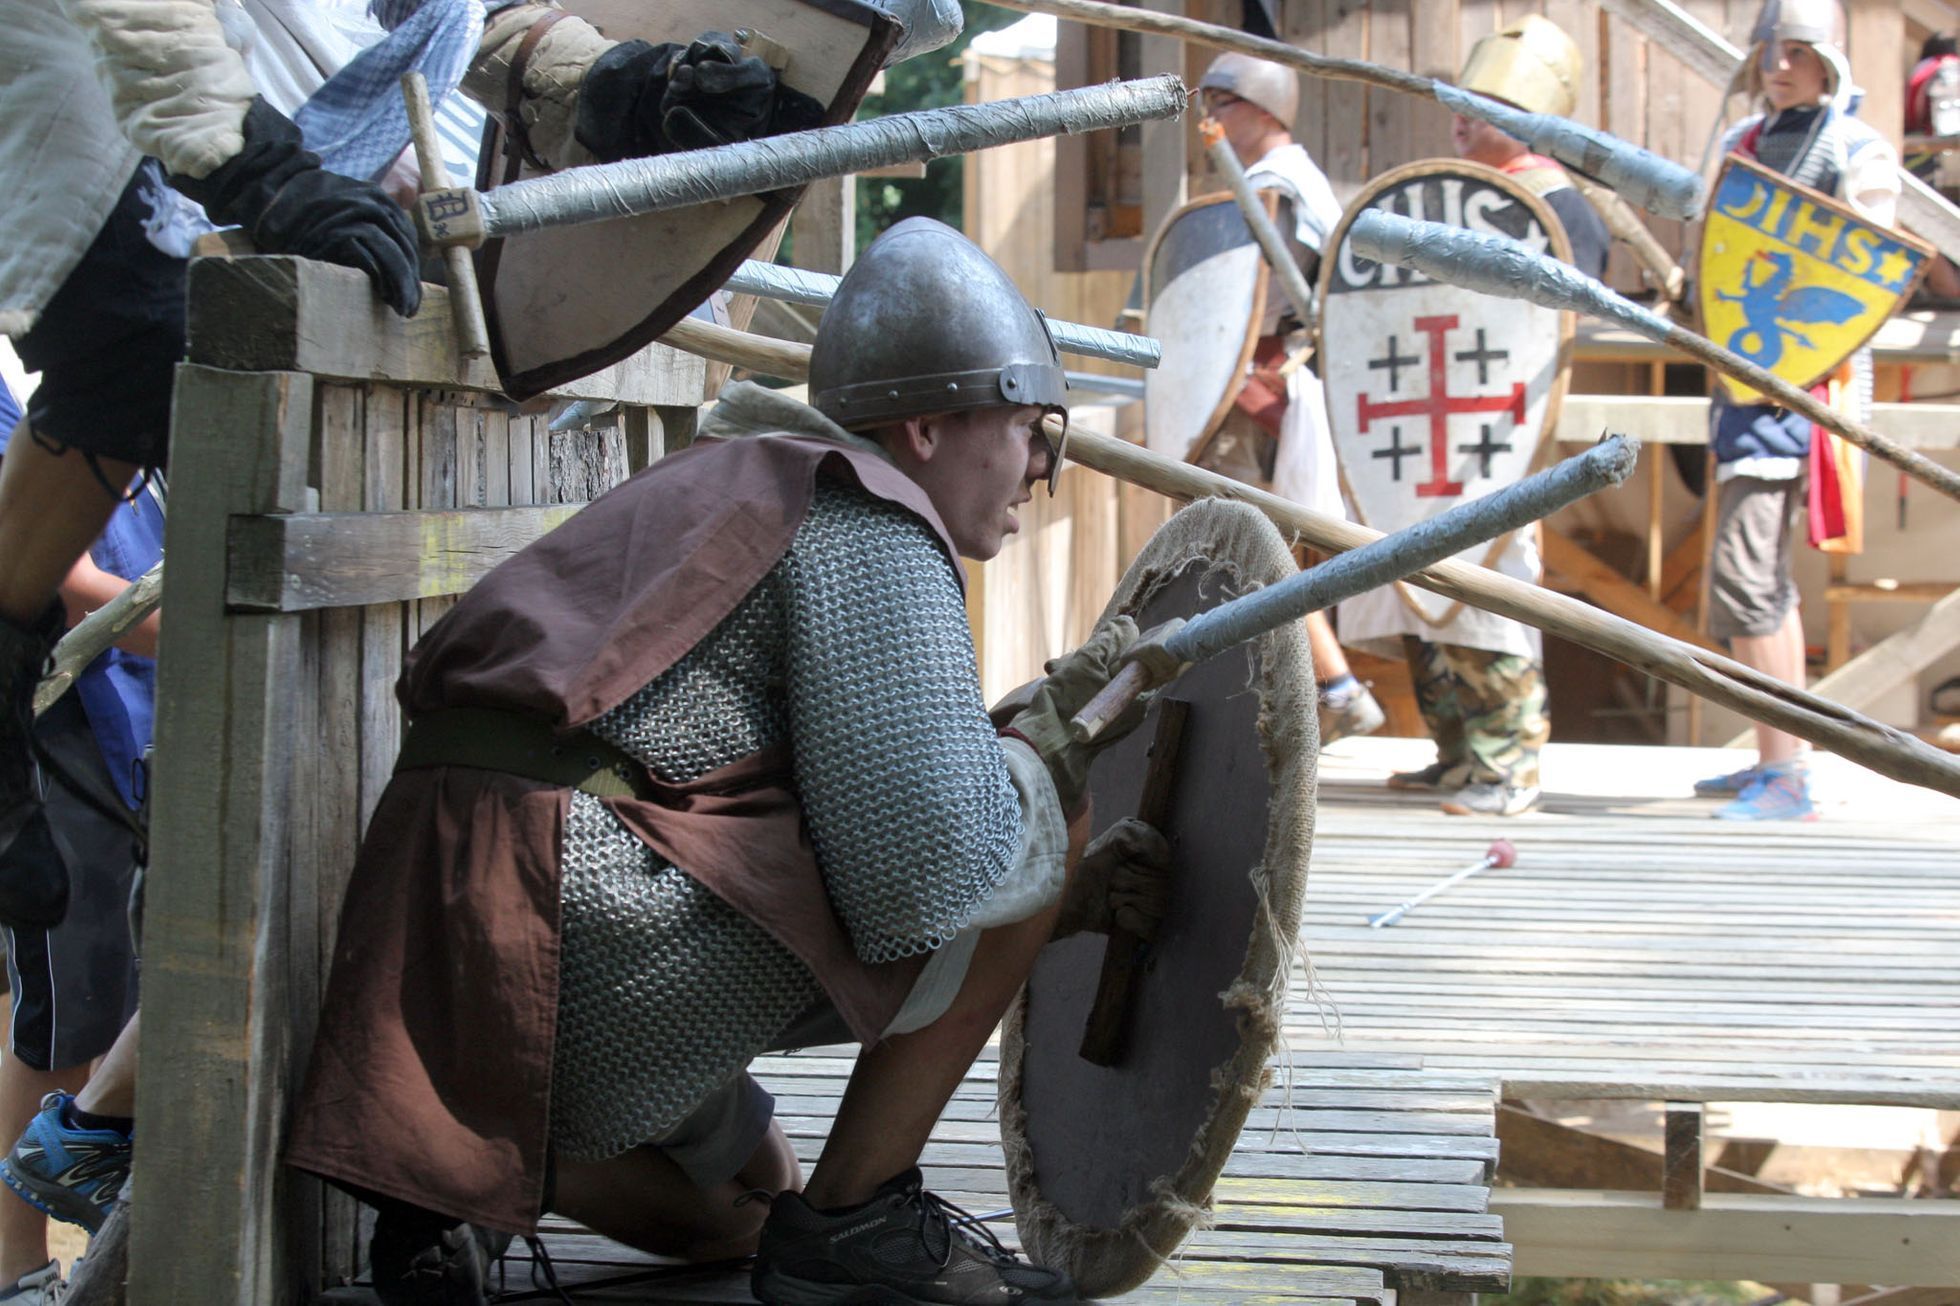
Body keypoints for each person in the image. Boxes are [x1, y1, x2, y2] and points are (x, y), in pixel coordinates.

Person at [284, 218, 1170, 1306]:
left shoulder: (733, 475)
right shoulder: (869, 517)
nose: (1041, 466)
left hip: (443, 947)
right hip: (582, 929)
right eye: (1033, 428)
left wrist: (1047, 878)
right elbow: (922, 872)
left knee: (743, 1208)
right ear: (929, 426)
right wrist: (1046, 763)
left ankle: (465, 1181)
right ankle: (859, 1218)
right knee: (1041, 796)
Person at [0, 0, 818, 933]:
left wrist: (613, 84)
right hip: (110, 50)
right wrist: (252, 163)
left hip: (274, 77)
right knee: (144, 323)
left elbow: (449, 12)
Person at [1339, 15, 1607, 818]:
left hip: (1494, 427)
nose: (1461, 119)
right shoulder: (1450, 195)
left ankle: (1507, 763)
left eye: (1484, 106)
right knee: (1421, 584)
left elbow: (1557, 320)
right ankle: (1457, 752)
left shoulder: (1556, 206)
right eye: (1459, 104)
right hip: (1425, 419)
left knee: (1490, 585)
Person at [1693, 0, 1899, 820]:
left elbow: (1866, 273)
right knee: (1755, 582)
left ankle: (1788, 774)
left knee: (1748, 580)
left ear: (1828, 59)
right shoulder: (1742, 142)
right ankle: (1776, 759)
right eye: (1771, 49)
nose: (1778, 65)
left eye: (1797, 51)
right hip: (1739, 377)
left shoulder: (1856, 150)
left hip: (1798, 385)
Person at [0, 387, 151, 1304]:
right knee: (57, 1024)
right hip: (54, 743)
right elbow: (62, 578)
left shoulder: (107, 382)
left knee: (107, 1005)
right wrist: (201, 618)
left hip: (120, 735)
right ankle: (15, 1272)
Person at [1195, 52, 1386, 746]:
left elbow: (1256, 297)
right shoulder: (1289, 179)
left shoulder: (1277, 186)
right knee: (1248, 543)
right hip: (1266, 378)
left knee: (1243, 541)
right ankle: (1311, 694)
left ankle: (1335, 689)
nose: (1209, 119)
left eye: (1222, 103)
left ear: (1264, 109)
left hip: (1258, 380)